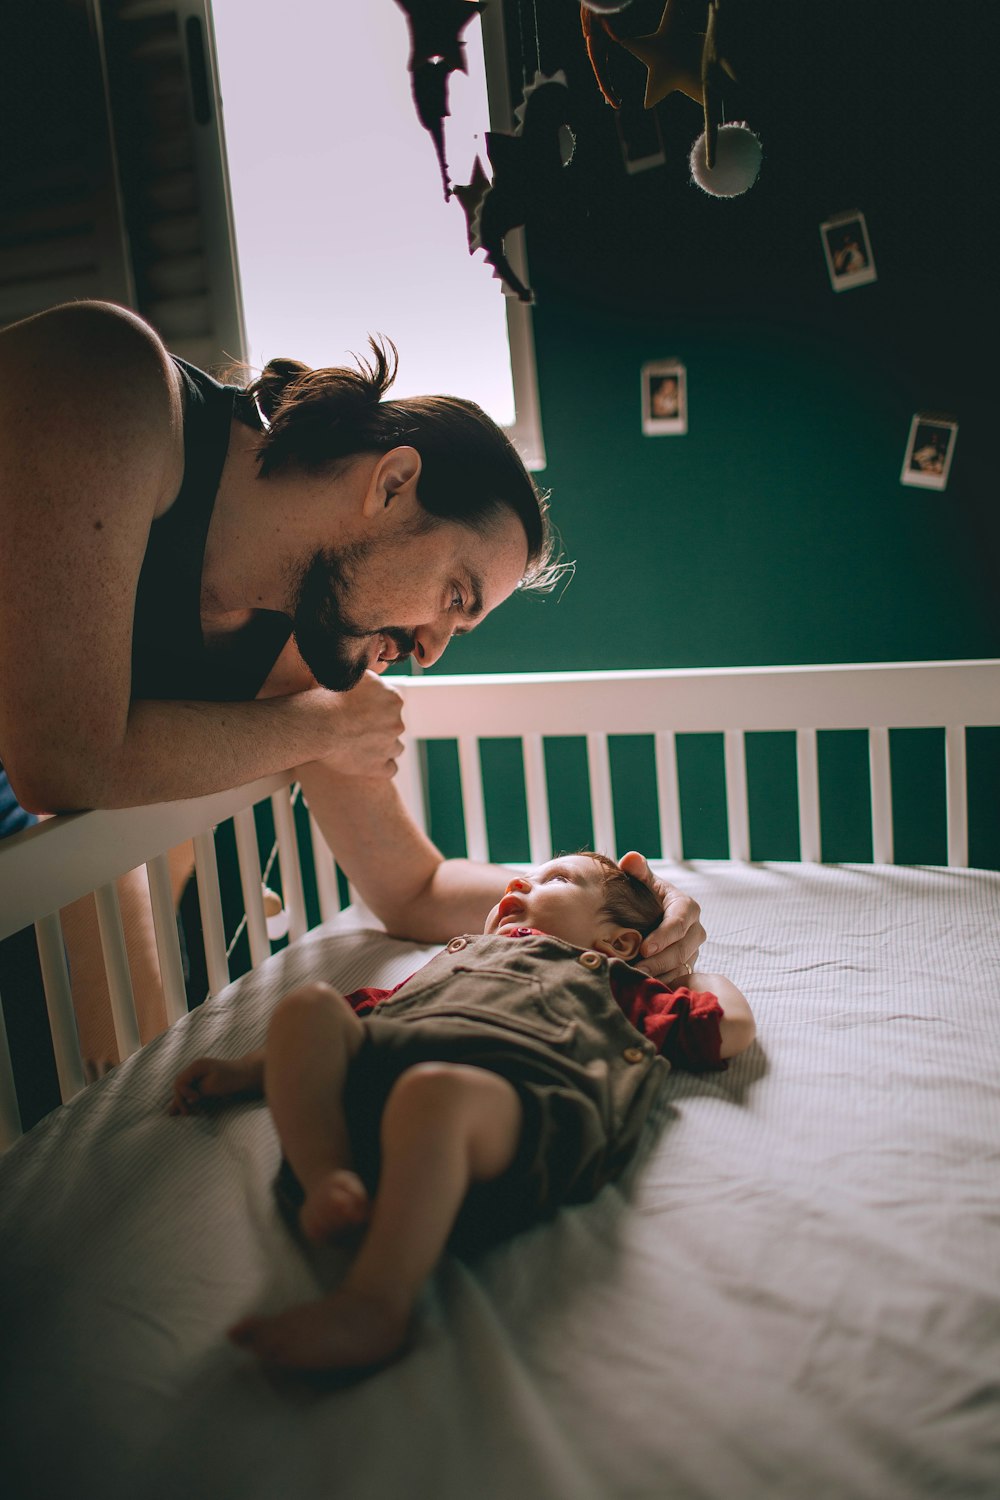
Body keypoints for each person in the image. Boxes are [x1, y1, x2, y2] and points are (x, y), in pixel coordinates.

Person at [0, 299, 706, 1071]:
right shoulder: (113, 382)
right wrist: (323, 728)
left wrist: (610, 913)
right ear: (394, 483)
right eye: (455, 597)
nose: (430, 652)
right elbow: (60, 761)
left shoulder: (300, 642)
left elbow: (414, 888)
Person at [170, 850, 755, 1373]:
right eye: (517, 881)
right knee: (310, 1007)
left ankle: (374, 1304)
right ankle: (329, 1177)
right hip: (390, 1078)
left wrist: (696, 976)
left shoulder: (621, 984)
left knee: (435, 1093)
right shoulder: (455, 959)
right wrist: (246, 1070)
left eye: (550, 879)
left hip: (518, 1100)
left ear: (619, 942)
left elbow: (727, 1029)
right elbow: (350, 1025)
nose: (514, 889)